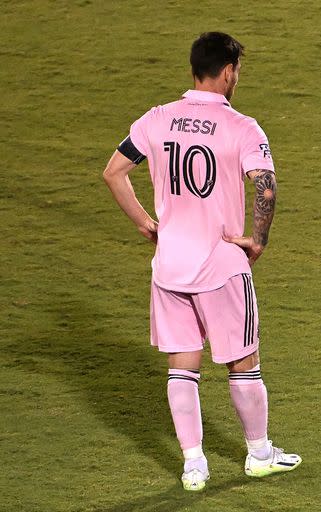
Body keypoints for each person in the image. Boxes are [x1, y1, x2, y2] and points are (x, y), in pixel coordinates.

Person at [102, 31, 301, 491]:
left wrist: (147, 224)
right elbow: (265, 186)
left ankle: (194, 465)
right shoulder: (242, 127)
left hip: (170, 265)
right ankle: (259, 454)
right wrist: (258, 239)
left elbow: (113, 172)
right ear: (229, 72)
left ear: (195, 69)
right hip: (220, 265)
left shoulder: (156, 119)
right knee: (243, 363)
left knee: (181, 368)